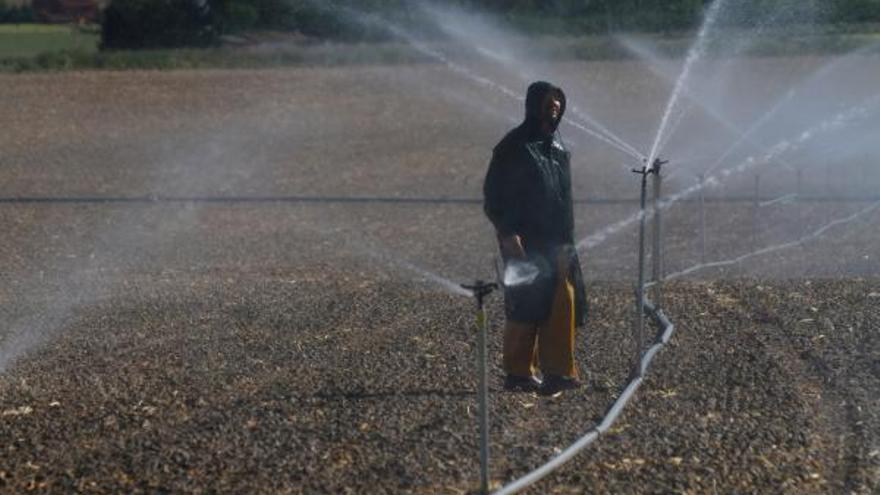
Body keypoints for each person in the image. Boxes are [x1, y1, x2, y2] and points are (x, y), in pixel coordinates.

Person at [483, 81, 588, 396]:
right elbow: (494, 196)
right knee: (525, 304)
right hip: (525, 240)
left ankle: (558, 372)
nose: (553, 112)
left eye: (557, 106)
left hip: (558, 242)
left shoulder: (557, 150)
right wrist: (507, 233)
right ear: (534, 107)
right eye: (548, 106)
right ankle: (518, 373)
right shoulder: (513, 147)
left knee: (561, 305)